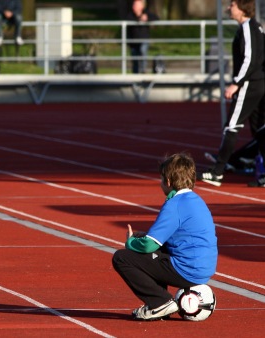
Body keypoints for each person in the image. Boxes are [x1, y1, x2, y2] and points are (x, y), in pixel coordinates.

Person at [112, 153, 218, 321]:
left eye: (161, 179)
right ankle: (162, 303)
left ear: (168, 181)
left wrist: (131, 243)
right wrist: (143, 238)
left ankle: (160, 302)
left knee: (122, 258)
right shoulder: (196, 200)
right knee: (147, 245)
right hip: (203, 267)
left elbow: (149, 246)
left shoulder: (174, 204)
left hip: (187, 269)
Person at [199, 0, 265, 187]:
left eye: (232, 5)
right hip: (258, 83)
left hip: (250, 85)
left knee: (232, 127)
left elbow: (250, 59)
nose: (229, 8)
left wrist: (237, 83)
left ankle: (218, 172)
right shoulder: (256, 28)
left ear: (242, 8)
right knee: (260, 130)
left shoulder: (249, 28)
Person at [126, 0, 159, 74]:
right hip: (133, 41)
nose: (134, 7)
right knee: (135, 58)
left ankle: (143, 70)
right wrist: (139, 18)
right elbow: (128, 20)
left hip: (144, 39)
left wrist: (147, 19)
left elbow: (156, 18)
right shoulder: (130, 15)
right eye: (134, 5)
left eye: (136, 5)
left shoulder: (146, 13)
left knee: (143, 51)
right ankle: (135, 74)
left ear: (141, 6)